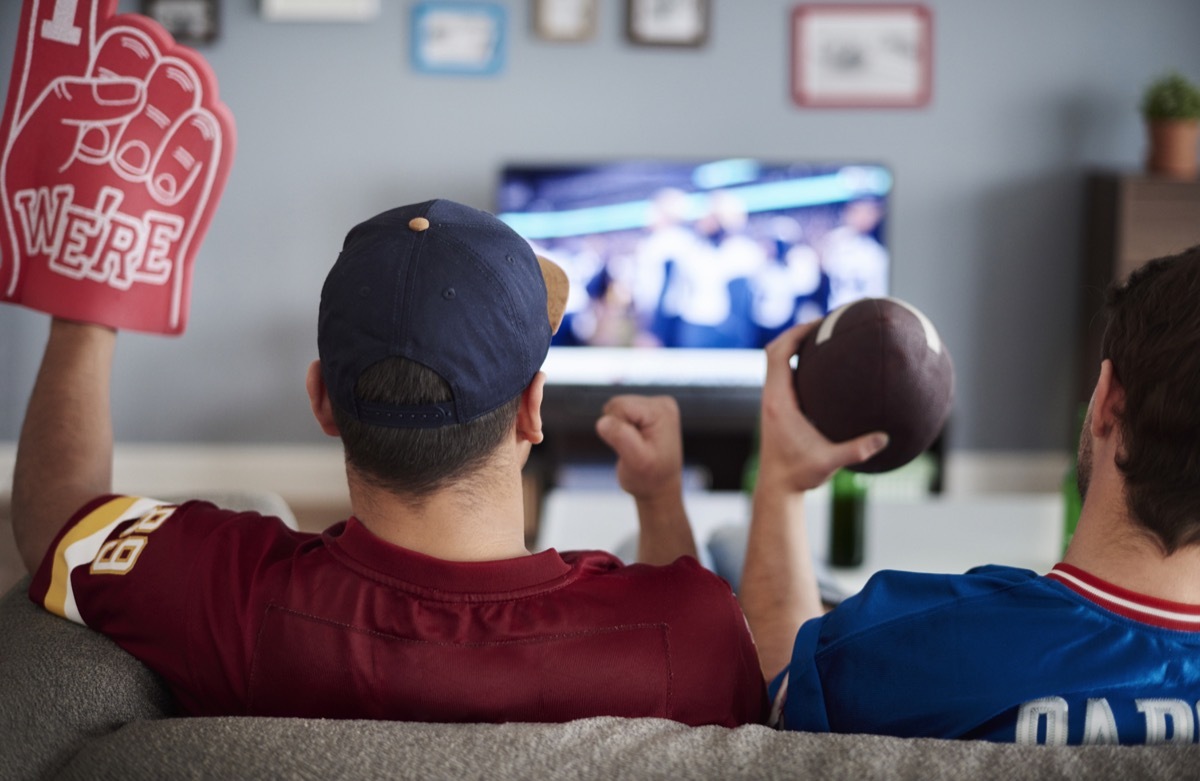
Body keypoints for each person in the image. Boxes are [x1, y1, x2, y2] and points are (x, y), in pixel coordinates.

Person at [12, 198, 767, 725]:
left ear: (321, 400)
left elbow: (55, 519)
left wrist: (87, 308)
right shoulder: (689, 627)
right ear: (533, 409)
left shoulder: (216, 590)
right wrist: (660, 498)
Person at [737, 246, 1200, 744]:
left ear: (1108, 402)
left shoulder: (900, 646)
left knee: (726, 544)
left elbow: (778, 705)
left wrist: (780, 481)